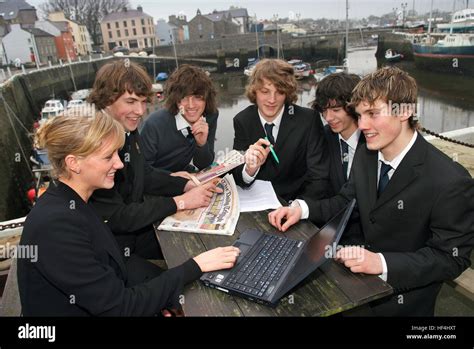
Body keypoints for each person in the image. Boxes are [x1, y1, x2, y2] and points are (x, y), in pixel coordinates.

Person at [268, 66, 474, 316]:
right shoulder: (368, 155)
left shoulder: (450, 180)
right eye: (360, 114)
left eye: (373, 114)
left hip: (401, 303)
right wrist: (301, 208)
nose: (362, 124)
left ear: (405, 111)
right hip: (353, 289)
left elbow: (452, 259)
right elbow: (346, 201)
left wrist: (381, 262)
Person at [17, 112, 240, 316]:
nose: (119, 163)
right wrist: (194, 266)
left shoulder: (74, 201)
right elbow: (120, 308)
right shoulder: (56, 226)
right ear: (74, 163)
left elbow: (113, 273)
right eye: (108, 157)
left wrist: (159, 299)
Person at [88, 60, 219, 259]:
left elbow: (145, 174)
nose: (140, 112)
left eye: (142, 102)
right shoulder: (93, 144)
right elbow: (118, 216)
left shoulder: (127, 131)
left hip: (133, 232)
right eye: (131, 102)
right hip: (109, 250)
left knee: (204, 245)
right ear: (107, 99)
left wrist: (185, 185)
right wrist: (180, 202)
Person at [232, 58, 330, 202]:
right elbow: (237, 175)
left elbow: (319, 177)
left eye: (279, 92)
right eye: (265, 91)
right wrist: (249, 169)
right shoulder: (242, 121)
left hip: (298, 205)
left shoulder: (308, 120)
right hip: (259, 207)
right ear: (254, 92)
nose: (272, 99)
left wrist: (297, 207)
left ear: (287, 93)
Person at [308, 72, 365, 244]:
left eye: (335, 110)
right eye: (324, 110)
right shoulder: (323, 137)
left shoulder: (374, 142)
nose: (328, 117)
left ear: (354, 107)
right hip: (330, 231)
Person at [140, 64, 218, 173]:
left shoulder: (210, 115)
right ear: (176, 99)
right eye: (184, 97)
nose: (191, 105)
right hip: (156, 181)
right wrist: (174, 179)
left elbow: (203, 165)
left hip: (184, 174)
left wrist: (201, 145)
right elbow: (141, 172)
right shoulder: (155, 124)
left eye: (197, 97)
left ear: (207, 98)